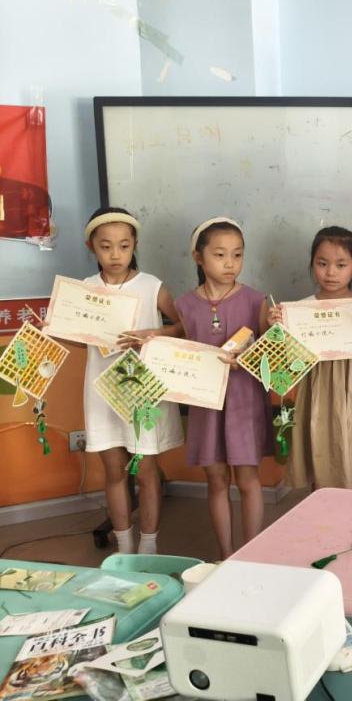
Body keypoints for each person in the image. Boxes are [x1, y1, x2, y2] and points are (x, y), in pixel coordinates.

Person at [81, 207, 184, 554]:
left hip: (142, 391)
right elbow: (76, 338)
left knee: (146, 469)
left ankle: (148, 546)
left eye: (123, 246)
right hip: (101, 389)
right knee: (113, 470)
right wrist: (56, 328)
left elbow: (183, 326)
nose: (115, 254)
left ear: (134, 245)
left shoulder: (152, 286)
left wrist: (153, 333)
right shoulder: (84, 289)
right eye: (105, 246)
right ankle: (124, 546)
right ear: (91, 247)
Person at [176, 217, 272, 559]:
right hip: (206, 403)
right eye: (219, 255)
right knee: (216, 480)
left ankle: (252, 553)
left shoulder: (257, 301)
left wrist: (270, 333)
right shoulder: (184, 305)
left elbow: (270, 352)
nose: (230, 263)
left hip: (245, 402)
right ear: (198, 258)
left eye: (237, 254)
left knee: (248, 479)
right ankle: (226, 554)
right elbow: (180, 348)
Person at [269, 226, 352, 490]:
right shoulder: (300, 310)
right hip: (315, 393)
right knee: (318, 460)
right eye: (322, 263)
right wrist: (277, 332)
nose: (331, 272)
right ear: (312, 264)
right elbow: (288, 368)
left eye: (341, 265)